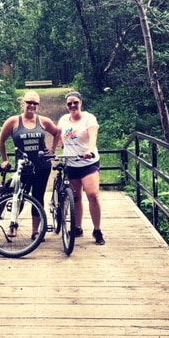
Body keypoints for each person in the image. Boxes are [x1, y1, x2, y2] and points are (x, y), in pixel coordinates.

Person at [0, 90, 61, 239]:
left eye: (35, 103)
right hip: (24, 167)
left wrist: (51, 150)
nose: (32, 105)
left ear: (38, 105)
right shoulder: (13, 121)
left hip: (42, 166)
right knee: (18, 196)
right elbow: (1, 141)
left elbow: (57, 132)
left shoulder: (43, 121)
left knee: (38, 197)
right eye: (29, 102)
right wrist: (5, 159)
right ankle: (13, 225)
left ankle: (35, 231)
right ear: (23, 103)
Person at [57, 91, 105, 245]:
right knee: (75, 197)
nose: (72, 106)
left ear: (81, 103)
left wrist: (89, 150)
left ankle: (97, 230)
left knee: (93, 195)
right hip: (71, 164)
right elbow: (59, 135)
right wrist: (62, 148)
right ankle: (77, 227)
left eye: (75, 103)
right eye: (69, 103)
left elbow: (93, 136)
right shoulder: (64, 120)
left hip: (88, 163)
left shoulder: (89, 118)